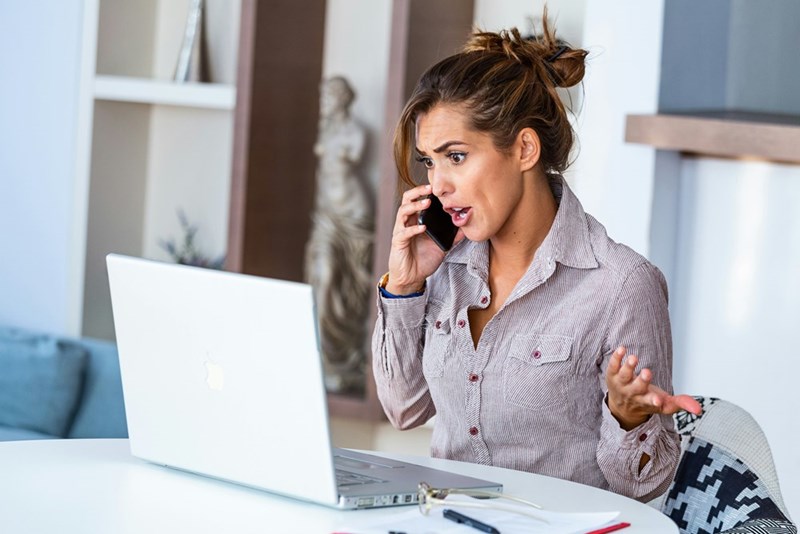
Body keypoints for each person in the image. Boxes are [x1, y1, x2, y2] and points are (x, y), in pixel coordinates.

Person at [371, 19, 701, 502]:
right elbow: (403, 409)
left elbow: (645, 486)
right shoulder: (444, 265)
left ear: (525, 148)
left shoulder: (621, 286)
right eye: (430, 161)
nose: (437, 183)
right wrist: (404, 286)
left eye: (456, 157)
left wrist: (628, 416)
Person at [305, 76, 373, 394]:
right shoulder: (325, 129)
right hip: (326, 216)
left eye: (327, 97)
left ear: (341, 99)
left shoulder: (355, 133)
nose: (322, 102)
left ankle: (342, 356)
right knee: (324, 274)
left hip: (354, 213)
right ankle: (325, 358)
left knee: (346, 282)